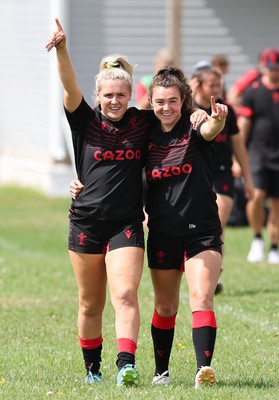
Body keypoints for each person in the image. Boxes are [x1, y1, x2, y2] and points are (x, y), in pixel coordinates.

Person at [46, 19, 206, 387]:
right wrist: (62, 48)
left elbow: (173, 110)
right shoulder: (83, 121)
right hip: (85, 222)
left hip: (127, 224)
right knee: (90, 303)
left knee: (125, 293)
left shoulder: (142, 122)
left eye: (121, 95)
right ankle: (92, 369)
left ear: (131, 95)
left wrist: (197, 112)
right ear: (98, 96)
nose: (114, 101)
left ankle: (125, 365)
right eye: (108, 95)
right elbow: (69, 85)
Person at [145, 67, 228, 388]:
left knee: (201, 297)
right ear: (151, 101)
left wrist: (216, 118)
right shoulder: (145, 134)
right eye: (160, 102)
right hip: (163, 232)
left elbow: (211, 129)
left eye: (173, 101)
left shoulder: (195, 126)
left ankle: (203, 370)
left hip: (202, 231)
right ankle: (161, 372)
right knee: (165, 305)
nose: (166, 108)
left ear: (184, 101)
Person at [190, 66, 254, 294]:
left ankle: (213, 273)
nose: (217, 89)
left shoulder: (228, 111)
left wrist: (248, 180)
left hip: (221, 172)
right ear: (198, 85)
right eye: (212, 85)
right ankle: (200, 268)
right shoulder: (188, 110)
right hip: (195, 174)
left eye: (219, 85)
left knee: (216, 221)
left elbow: (239, 147)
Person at [237, 48, 279, 264]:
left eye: (277, 68)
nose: (274, 72)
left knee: (277, 203)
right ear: (263, 67)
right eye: (271, 68)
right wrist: (238, 157)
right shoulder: (253, 91)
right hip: (258, 152)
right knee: (257, 195)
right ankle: (256, 238)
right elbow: (243, 126)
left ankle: (274, 247)